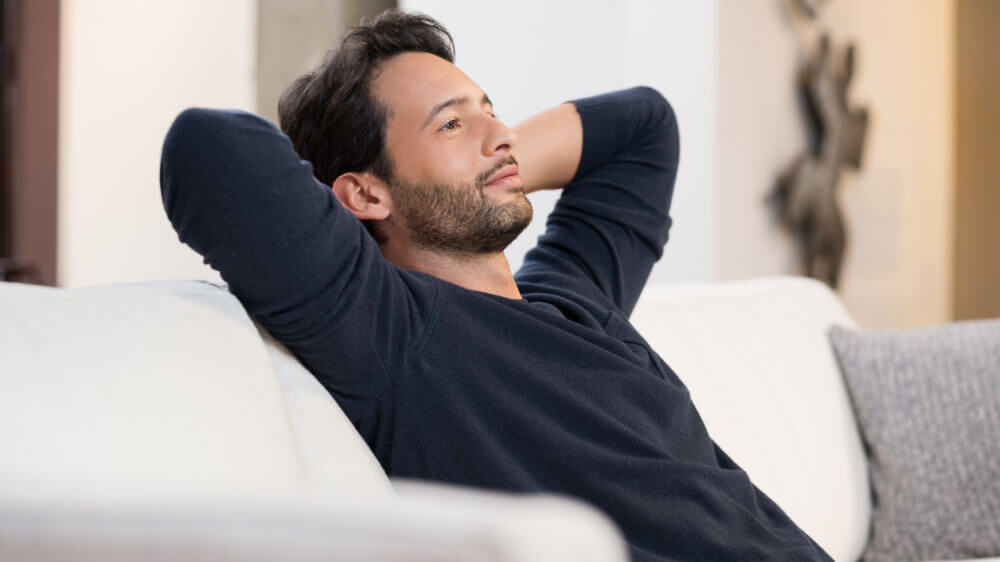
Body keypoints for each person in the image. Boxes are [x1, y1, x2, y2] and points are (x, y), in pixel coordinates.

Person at [159, 9, 833, 561]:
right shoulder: (392, 332)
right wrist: (452, 181)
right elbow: (208, 150)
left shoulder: (575, 296)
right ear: (363, 194)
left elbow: (644, 127)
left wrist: (484, 163)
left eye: (492, 110)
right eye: (451, 123)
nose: (500, 135)